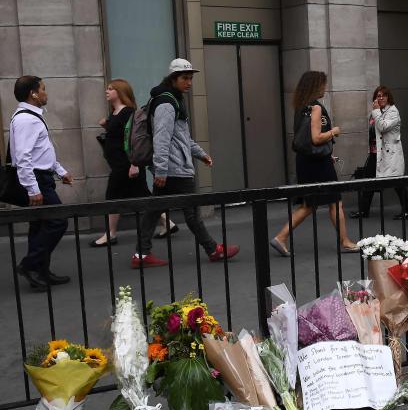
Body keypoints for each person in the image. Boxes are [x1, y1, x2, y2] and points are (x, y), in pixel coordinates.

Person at [132, 59, 240, 268]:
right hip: (175, 170)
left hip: (172, 167)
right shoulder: (166, 103)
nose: (189, 82)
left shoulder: (172, 100)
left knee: (155, 209)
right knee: (191, 213)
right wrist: (162, 169)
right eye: (185, 78)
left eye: (191, 78)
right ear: (173, 79)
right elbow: (161, 138)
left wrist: (200, 154)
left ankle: (141, 254)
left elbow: (181, 138)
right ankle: (212, 249)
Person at [271, 70, 358, 256]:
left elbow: (305, 140)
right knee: (335, 202)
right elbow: (316, 138)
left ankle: (281, 237)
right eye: (323, 84)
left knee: (309, 205)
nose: (325, 88)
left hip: (306, 161)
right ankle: (346, 242)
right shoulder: (316, 108)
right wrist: (334, 131)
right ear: (315, 86)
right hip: (318, 164)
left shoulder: (301, 107)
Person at [89, 79, 178, 248]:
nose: (107, 91)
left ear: (120, 92)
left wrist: (134, 164)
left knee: (112, 196)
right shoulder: (115, 112)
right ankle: (168, 223)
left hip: (126, 165)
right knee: (143, 195)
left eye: (110, 89)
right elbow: (118, 134)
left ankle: (110, 234)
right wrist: (107, 125)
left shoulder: (128, 112)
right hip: (119, 164)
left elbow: (133, 139)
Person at [8, 76, 72, 289]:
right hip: (36, 180)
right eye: (43, 89)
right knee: (58, 220)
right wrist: (33, 188)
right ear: (33, 94)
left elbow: (41, 151)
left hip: (41, 177)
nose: (46, 93)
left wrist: (59, 170)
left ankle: (41, 271)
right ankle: (30, 265)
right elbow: (23, 157)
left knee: (40, 224)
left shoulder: (32, 117)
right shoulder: (26, 119)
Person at [351, 85, 408, 220]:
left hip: (389, 154)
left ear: (388, 97)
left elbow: (383, 127)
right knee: (368, 180)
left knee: (397, 182)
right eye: (378, 96)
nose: (381, 98)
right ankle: (363, 211)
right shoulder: (378, 111)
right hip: (376, 153)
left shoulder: (393, 112)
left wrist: (376, 112)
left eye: (383, 95)